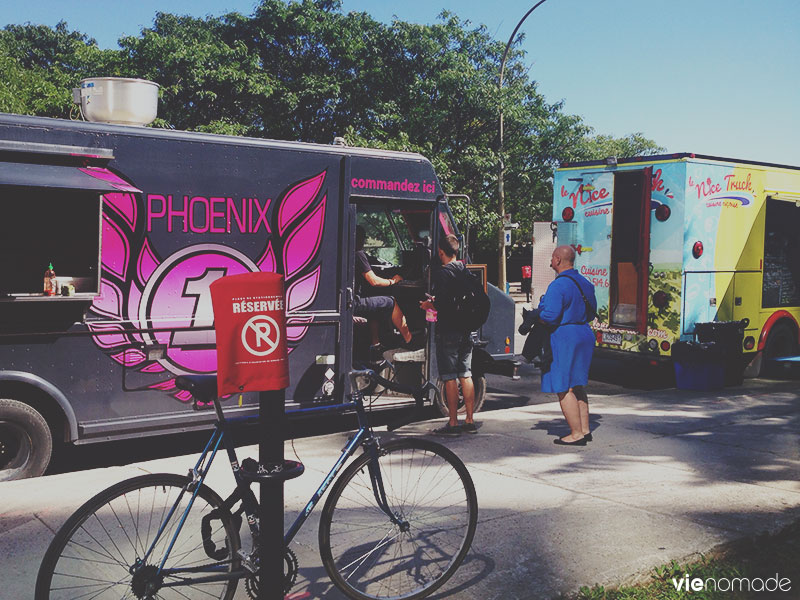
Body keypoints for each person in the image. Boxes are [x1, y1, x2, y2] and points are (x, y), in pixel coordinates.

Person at [538, 245, 597, 446]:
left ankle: (575, 434)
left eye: (552, 258)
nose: (551, 261)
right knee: (577, 384)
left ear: (557, 260)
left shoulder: (558, 285)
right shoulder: (585, 283)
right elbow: (591, 312)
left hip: (565, 337)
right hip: (584, 333)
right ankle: (585, 429)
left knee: (564, 387)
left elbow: (550, 316)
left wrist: (540, 312)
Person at [420, 234, 477, 435]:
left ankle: (453, 422)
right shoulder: (465, 271)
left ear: (440, 252)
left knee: (450, 376)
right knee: (466, 373)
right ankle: (469, 420)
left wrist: (429, 304)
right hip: (467, 330)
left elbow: (442, 303)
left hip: (449, 330)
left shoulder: (442, 274)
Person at [353, 226, 413, 357]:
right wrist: (393, 281)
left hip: (350, 301)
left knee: (374, 301)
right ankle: (409, 340)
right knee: (391, 301)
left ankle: (376, 344)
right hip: (354, 303)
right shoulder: (358, 253)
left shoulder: (347, 251)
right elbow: (373, 281)